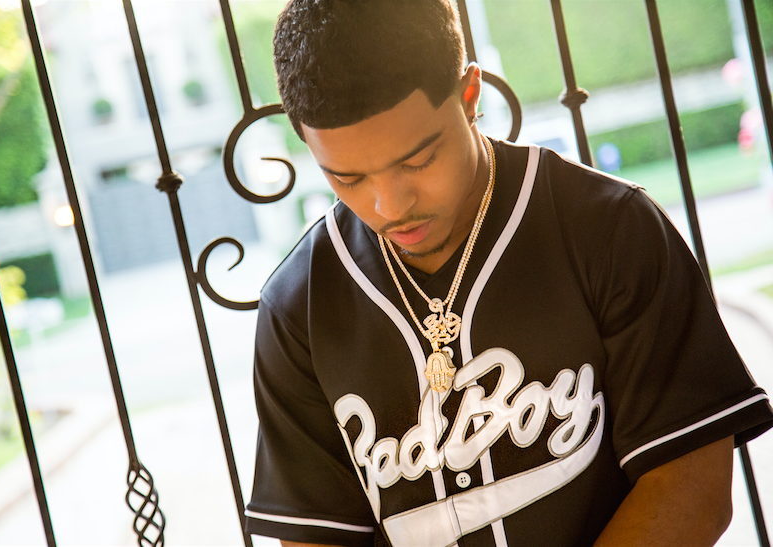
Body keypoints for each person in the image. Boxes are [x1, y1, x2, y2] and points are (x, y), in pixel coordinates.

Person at [243, 1, 773, 545]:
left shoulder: (611, 227)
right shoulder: (298, 307)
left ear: (469, 96)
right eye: (348, 177)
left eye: (417, 161)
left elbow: (692, 488)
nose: (390, 205)